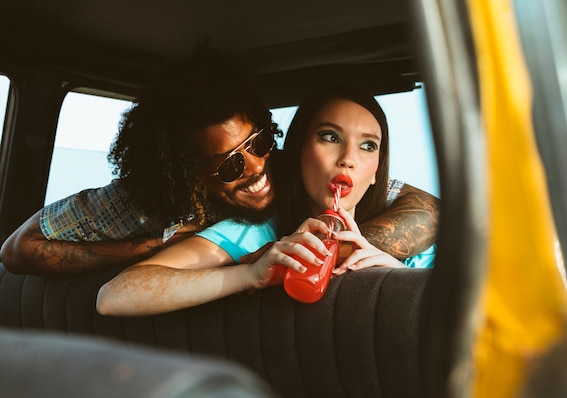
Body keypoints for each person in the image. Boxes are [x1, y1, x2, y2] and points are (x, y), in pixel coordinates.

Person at [0, 47, 439, 276]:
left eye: (261, 141)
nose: (256, 169)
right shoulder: (143, 203)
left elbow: (427, 208)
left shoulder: (290, 165)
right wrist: (152, 248)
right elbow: (19, 249)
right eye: (230, 166)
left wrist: (336, 252)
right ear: (186, 172)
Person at [96, 83, 436, 316]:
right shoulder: (254, 234)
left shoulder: (417, 248)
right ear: (297, 150)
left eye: (368, 145)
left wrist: (396, 277)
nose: (348, 157)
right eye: (329, 137)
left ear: (378, 170)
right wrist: (249, 274)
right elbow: (114, 296)